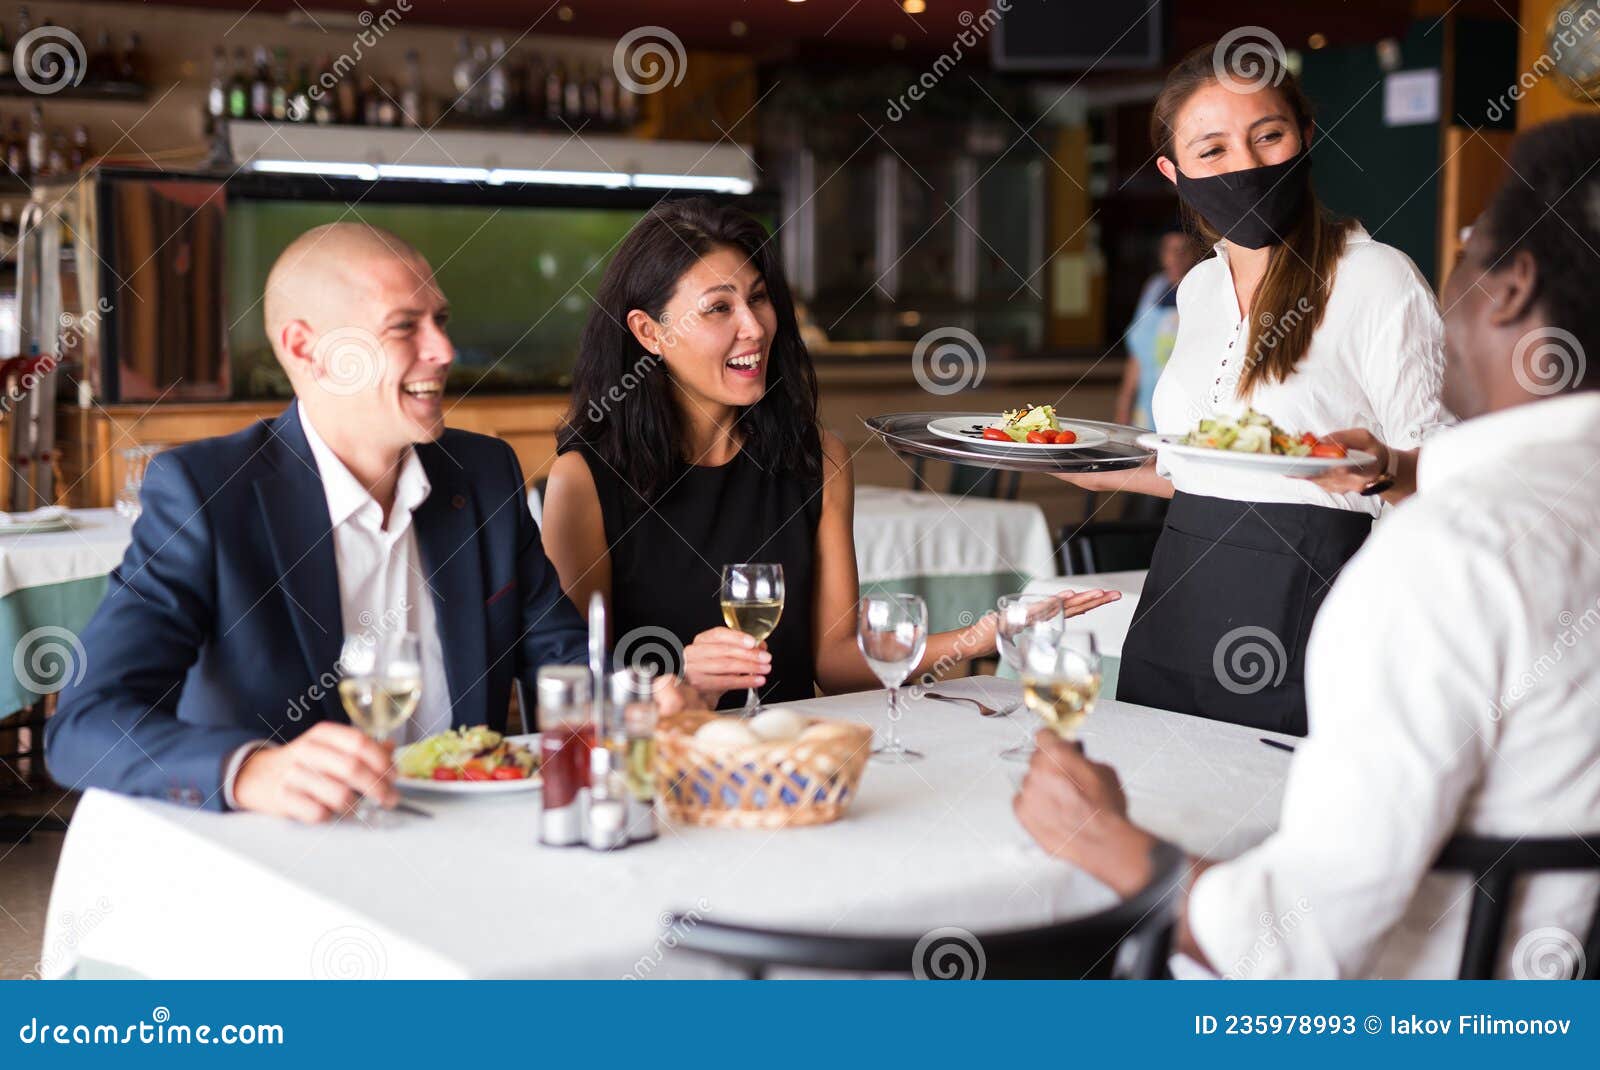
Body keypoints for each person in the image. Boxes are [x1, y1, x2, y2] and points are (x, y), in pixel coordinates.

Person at [1014, 114, 1600, 978]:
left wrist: (1107, 841)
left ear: (1509, 288)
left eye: (1469, 246)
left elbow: (1288, 946)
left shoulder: (1446, 563)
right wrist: (1396, 468)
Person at [45, 223, 611, 822]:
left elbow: (563, 660)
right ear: (305, 348)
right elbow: (84, 725)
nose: (443, 350)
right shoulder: (208, 495)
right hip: (289, 857)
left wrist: (638, 697)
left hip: (468, 838)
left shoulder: (484, 472)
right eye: (403, 326)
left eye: (440, 320)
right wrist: (249, 769)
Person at [541, 198, 1119, 710]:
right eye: (719, 308)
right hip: (659, 776)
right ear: (649, 332)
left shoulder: (816, 460)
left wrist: (990, 633)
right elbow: (569, 679)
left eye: (759, 298)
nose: (754, 326)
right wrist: (674, 679)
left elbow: (835, 664)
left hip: (794, 767)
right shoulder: (586, 481)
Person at [1060, 42, 1452, 735]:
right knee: (1162, 799)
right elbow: (1219, 476)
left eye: (1266, 135)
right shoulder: (1200, 288)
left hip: (1317, 608)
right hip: (1180, 594)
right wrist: (1115, 474)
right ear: (1173, 173)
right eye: (1211, 150)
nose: (1242, 164)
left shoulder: (1378, 279)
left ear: (1305, 136)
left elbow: (1445, 484)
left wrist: (1380, 472)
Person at [1114, 230, 1197, 430]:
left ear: (1195, 254)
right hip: (1146, 401)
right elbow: (1138, 352)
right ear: (1162, 255)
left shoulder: (1198, 288)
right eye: (1170, 250)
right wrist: (1124, 402)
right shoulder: (1154, 288)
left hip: (1184, 403)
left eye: (1183, 250)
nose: (1176, 256)